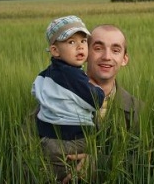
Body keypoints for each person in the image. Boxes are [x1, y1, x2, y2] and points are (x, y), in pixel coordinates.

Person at [62, 24, 144, 183]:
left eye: (115, 50)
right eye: (98, 48)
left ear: (124, 59)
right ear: (85, 53)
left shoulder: (140, 110)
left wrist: (100, 163)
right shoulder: (54, 99)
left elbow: (148, 161)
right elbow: (30, 152)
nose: (107, 56)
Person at [31, 15, 105, 182]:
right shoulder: (72, 75)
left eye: (83, 41)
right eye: (71, 42)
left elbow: (36, 89)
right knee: (79, 174)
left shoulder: (47, 73)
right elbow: (95, 101)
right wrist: (97, 89)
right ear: (55, 50)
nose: (79, 47)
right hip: (71, 140)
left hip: (48, 139)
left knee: (56, 176)